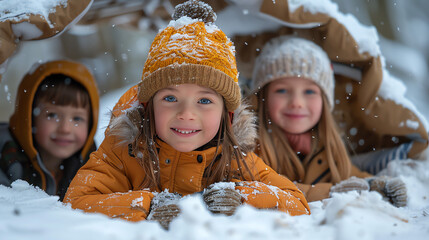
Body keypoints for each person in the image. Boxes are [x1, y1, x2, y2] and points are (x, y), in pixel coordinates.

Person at [64, 0, 310, 226]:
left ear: (228, 115)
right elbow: (75, 202)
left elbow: (296, 203)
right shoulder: (123, 152)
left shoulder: (235, 158)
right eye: (170, 98)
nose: (186, 114)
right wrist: (147, 206)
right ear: (148, 108)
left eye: (204, 100)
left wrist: (242, 197)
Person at [248, 35, 407, 207]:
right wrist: (331, 193)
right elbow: (264, 189)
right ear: (261, 98)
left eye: (309, 92)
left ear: (325, 101)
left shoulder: (328, 147)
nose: (297, 102)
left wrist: (375, 185)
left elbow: (350, 175)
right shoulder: (251, 147)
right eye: (282, 90)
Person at [0, 60, 99, 201]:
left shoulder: (90, 164)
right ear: (28, 117)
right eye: (52, 115)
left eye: (77, 119)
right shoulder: (7, 156)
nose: (65, 128)